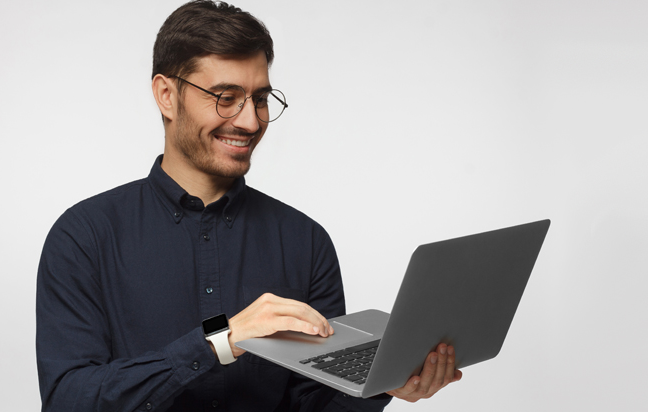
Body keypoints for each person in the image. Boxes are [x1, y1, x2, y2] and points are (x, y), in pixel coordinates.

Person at [35, 1, 461, 411]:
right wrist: (222, 340)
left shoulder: (306, 242)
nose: (250, 121)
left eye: (259, 98)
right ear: (166, 95)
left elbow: (313, 404)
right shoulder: (84, 237)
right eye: (225, 96)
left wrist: (380, 385)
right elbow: (68, 400)